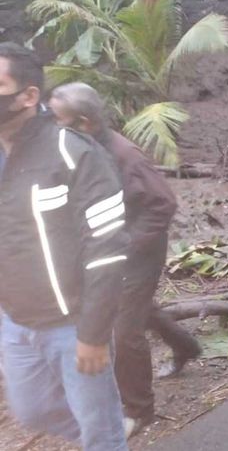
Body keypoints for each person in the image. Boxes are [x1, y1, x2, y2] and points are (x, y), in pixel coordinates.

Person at [48, 82, 202, 438]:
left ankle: (138, 409)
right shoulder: (80, 149)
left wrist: (123, 245)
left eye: (58, 121)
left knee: (123, 327)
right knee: (139, 310)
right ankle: (187, 346)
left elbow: (162, 204)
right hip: (107, 250)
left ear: (84, 122)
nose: (51, 128)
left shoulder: (124, 155)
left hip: (137, 252)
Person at [0, 43, 129, 450]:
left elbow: (107, 247)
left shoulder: (72, 152)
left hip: (72, 323)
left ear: (28, 96)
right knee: (31, 411)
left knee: (99, 429)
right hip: (15, 322)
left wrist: (92, 333)